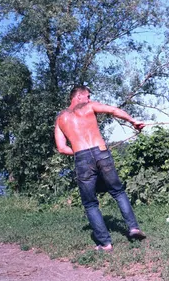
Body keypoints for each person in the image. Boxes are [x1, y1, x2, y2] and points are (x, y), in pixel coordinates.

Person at [55, 85, 146, 252]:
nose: (89, 99)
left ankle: (105, 244)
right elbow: (113, 110)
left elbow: (61, 148)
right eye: (87, 96)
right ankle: (133, 228)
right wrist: (133, 121)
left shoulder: (61, 118)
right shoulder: (89, 106)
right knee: (118, 192)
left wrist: (79, 151)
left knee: (90, 203)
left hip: (81, 157)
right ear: (79, 96)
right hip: (101, 152)